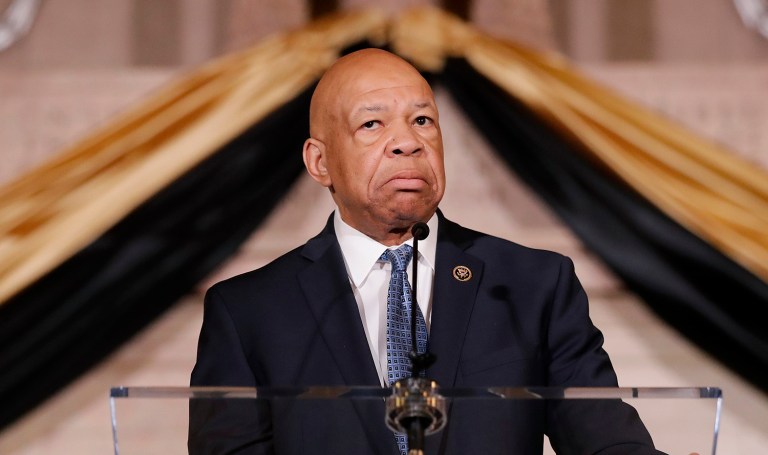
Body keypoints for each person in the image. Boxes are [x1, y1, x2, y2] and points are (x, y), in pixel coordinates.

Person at [189, 48, 667, 455]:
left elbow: (607, 440)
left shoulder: (530, 285)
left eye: (422, 121)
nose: (408, 142)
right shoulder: (249, 311)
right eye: (372, 124)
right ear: (320, 161)